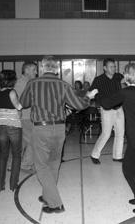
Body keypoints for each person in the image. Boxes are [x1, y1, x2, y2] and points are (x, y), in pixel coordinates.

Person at [20, 55, 97, 214]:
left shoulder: (33, 83)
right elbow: (78, 105)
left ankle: (55, 203)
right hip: (60, 129)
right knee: (54, 164)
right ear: (56, 69)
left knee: (41, 166)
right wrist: (88, 97)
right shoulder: (63, 84)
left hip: (41, 128)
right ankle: (48, 194)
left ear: (42, 68)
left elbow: (24, 102)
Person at [101, 63, 135, 214]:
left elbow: (106, 104)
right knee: (127, 167)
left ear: (127, 76)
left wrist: (96, 95)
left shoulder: (125, 92)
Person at [89, 58, 124, 164]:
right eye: (111, 66)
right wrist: (101, 102)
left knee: (120, 133)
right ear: (105, 68)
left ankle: (117, 156)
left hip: (119, 109)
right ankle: (94, 154)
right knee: (106, 134)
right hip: (107, 110)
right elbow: (92, 93)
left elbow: (126, 86)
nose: (114, 68)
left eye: (114, 66)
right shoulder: (98, 80)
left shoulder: (118, 77)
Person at [0, 70, 23, 192]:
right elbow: (18, 107)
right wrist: (20, 107)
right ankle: (13, 185)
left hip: (0, 125)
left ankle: (0, 186)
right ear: (12, 80)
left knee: (2, 155)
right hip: (13, 126)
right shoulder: (12, 92)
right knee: (16, 155)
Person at [14, 61, 37, 174]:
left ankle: (15, 164)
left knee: (23, 143)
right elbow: (20, 102)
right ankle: (26, 165)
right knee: (34, 141)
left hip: (26, 116)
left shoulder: (26, 82)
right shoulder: (22, 83)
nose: (36, 72)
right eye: (34, 70)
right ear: (26, 70)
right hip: (26, 117)